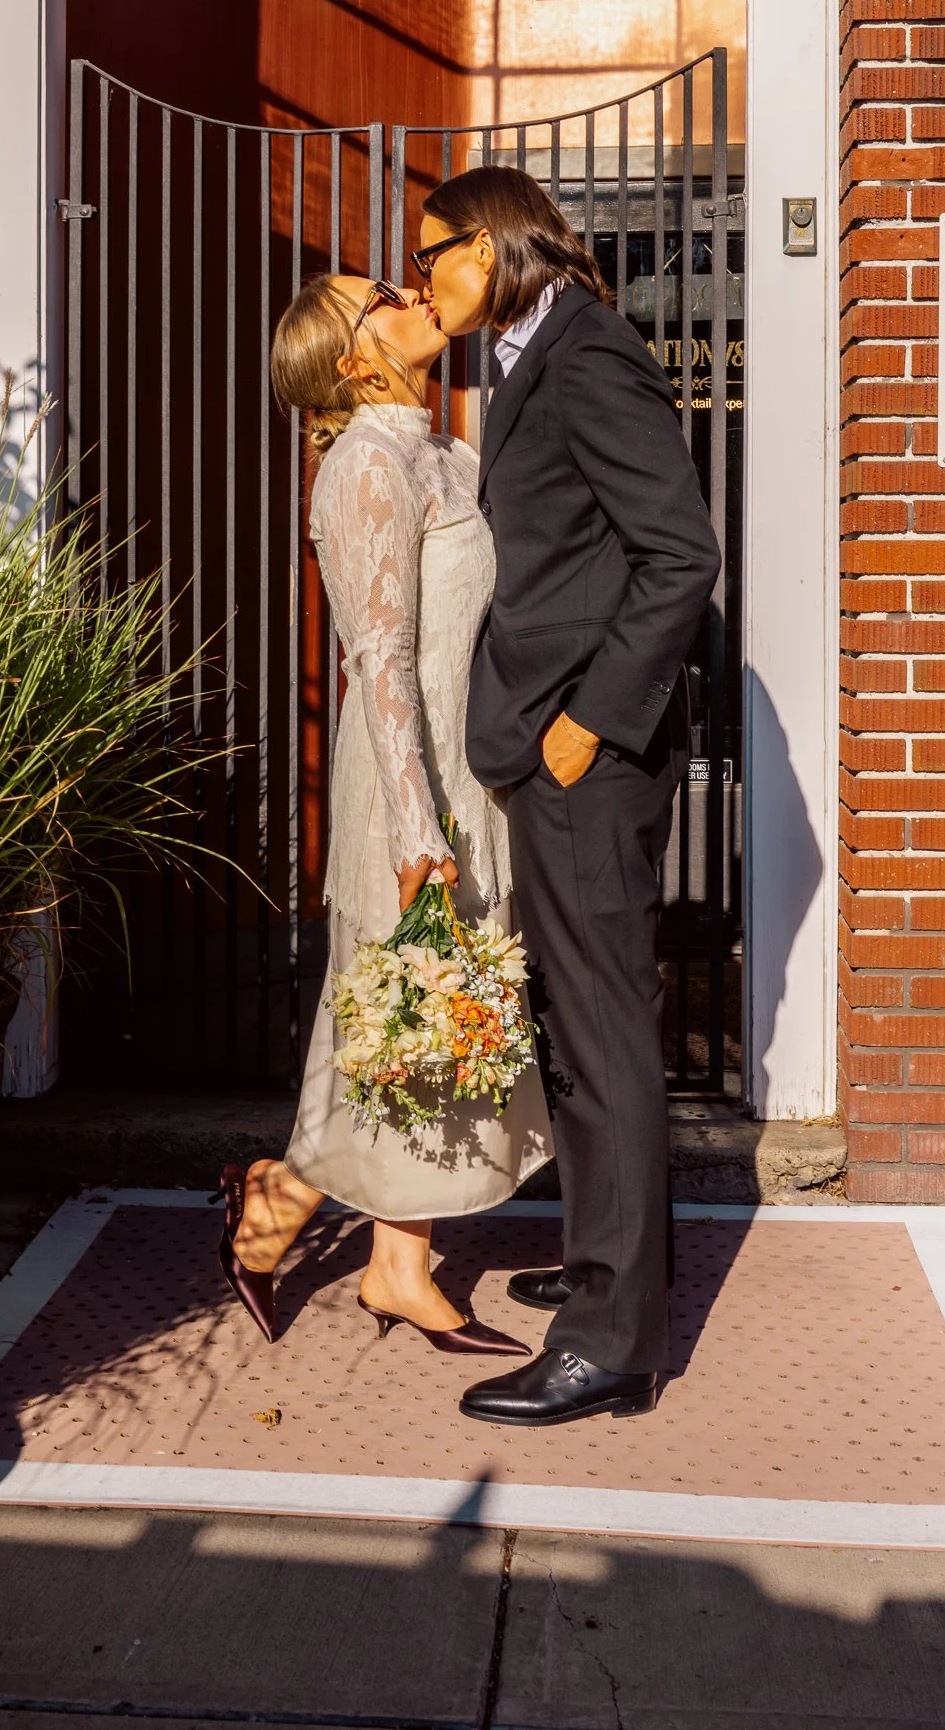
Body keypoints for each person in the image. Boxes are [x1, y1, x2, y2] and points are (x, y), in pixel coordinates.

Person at [416, 169, 721, 1427]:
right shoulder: (529, 353)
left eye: (433, 251)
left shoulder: (587, 354)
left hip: (583, 757)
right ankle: (608, 1269)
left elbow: (680, 554)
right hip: (551, 749)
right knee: (578, 1035)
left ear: (488, 249)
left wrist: (586, 724)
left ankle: (610, 1338)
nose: (424, 273)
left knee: (598, 1037)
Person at [213, 271, 551, 1353]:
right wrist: (416, 822)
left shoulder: (444, 450)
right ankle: (296, 1216)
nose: (413, 289)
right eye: (381, 295)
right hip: (411, 774)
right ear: (353, 360)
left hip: (467, 766)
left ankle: (383, 1257)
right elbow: (379, 656)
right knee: (400, 1009)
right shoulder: (361, 463)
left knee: (419, 1019)